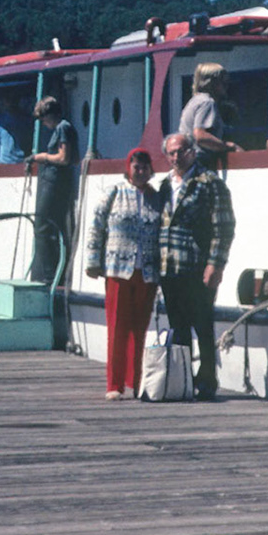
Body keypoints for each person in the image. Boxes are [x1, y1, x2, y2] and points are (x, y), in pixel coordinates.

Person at [157, 132, 235, 401]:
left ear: (192, 151)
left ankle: (207, 380)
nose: (176, 157)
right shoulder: (164, 185)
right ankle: (183, 380)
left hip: (198, 266)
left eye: (181, 151)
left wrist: (216, 264)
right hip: (169, 267)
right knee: (178, 326)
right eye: (171, 153)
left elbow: (224, 226)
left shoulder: (210, 183)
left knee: (202, 324)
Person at [84, 149, 164, 400]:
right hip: (118, 270)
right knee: (117, 328)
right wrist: (92, 262)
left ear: (151, 170)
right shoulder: (114, 192)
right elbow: (96, 227)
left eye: (144, 167)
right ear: (128, 168)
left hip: (147, 273)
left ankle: (136, 381)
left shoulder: (156, 198)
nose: (140, 171)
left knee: (139, 330)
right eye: (136, 167)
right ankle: (114, 385)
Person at [26, 96, 77, 283]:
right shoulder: (62, 128)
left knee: (42, 225)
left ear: (50, 115)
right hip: (54, 180)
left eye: (43, 119)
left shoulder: (63, 127)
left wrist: (41, 157)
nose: (43, 123)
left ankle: (50, 276)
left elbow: (64, 158)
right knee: (53, 226)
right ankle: (55, 273)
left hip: (56, 181)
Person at [179, 62, 241, 170]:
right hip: (201, 163)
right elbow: (200, 136)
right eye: (223, 81)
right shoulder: (207, 102)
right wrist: (229, 146)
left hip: (189, 162)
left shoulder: (194, 101)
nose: (226, 85)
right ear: (212, 83)